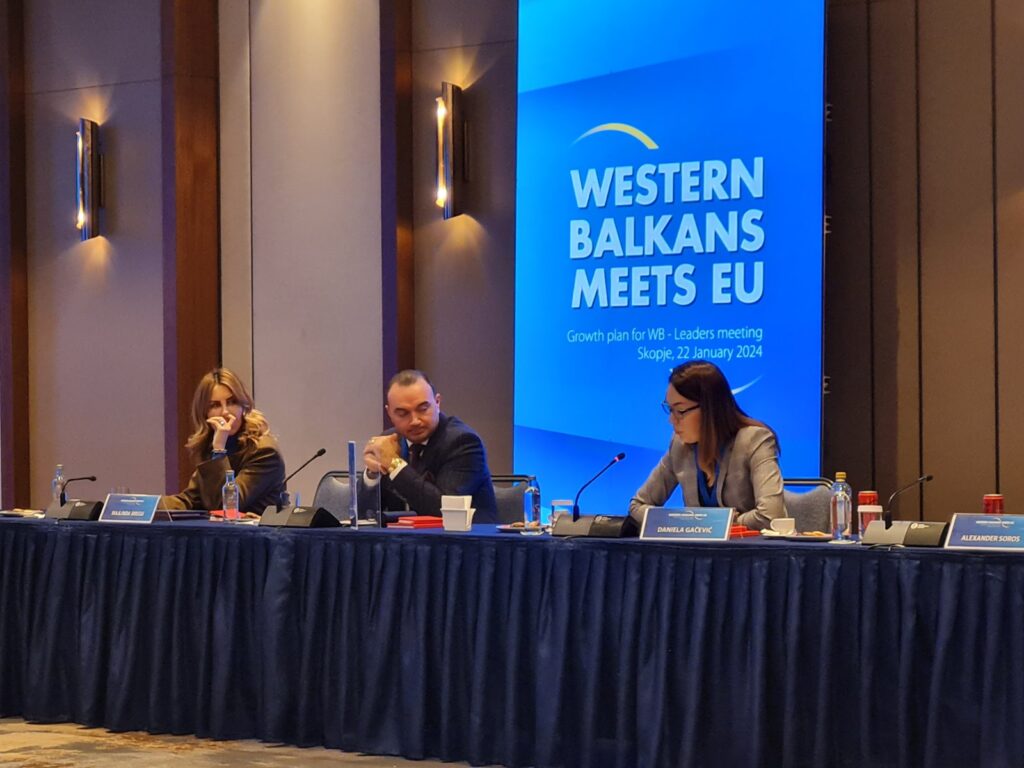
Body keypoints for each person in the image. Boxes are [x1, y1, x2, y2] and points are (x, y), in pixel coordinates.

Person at [629, 360, 784, 529]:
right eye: (670, 409)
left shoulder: (755, 440)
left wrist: (717, 523)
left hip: (749, 546)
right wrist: (685, 520)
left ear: (709, 409)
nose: (671, 420)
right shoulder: (679, 445)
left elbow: (771, 516)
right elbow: (637, 506)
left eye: (680, 411)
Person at [362, 369, 498, 523]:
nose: (415, 421)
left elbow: (443, 510)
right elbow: (363, 514)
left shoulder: (463, 442)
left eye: (423, 409)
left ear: (437, 403)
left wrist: (394, 464)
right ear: (389, 414)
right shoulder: (389, 441)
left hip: (464, 537)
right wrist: (372, 474)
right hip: (400, 537)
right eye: (403, 413)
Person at [161, 367, 286, 515]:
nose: (225, 412)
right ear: (204, 413)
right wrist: (144, 505)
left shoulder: (264, 451)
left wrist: (219, 449)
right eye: (215, 405)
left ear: (243, 406)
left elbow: (226, 505)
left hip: (255, 530)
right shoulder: (213, 444)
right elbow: (191, 500)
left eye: (232, 402)